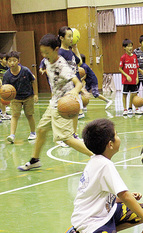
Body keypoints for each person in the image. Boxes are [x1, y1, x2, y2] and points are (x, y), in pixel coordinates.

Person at [17, 34, 93, 171]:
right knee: (41, 130)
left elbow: (78, 83)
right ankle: (35, 160)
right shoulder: (46, 61)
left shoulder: (62, 66)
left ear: (56, 49)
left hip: (64, 104)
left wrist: (76, 91)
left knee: (67, 139)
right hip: (54, 102)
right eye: (42, 52)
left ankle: (97, 157)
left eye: (47, 52)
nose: (44, 55)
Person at [3, 51, 38, 143]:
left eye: (14, 60)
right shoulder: (7, 75)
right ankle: (12, 135)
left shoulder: (25, 70)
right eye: (10, 61)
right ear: (7, 62)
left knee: (29, 115)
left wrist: (36, 94)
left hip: (28, 96)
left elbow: (33, 80)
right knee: (15, 116)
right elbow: (4, 89)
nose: (12, 63)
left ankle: (33, 133)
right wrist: (5, 98)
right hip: (15, 98)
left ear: (18, 61)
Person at [119, 39, 139, 116]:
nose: (130, 47)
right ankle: (125, 109)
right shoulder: (123, 57)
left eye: (131, 45)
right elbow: (120, 69)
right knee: (125, 94)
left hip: (133, 80)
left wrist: (137, 77)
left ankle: (135, 108)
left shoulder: (134, 56)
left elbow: (136, 67)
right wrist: (126, 75)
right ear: (124, 48)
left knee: (134, 94)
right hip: (126, 80)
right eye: (128, 46)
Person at [0, 53, 11, 122]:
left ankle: (4, 114)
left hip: (3, 86)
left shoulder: (7, 68)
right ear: (0, 60)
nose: (6, 61)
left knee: (3, 100)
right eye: (5, 59)